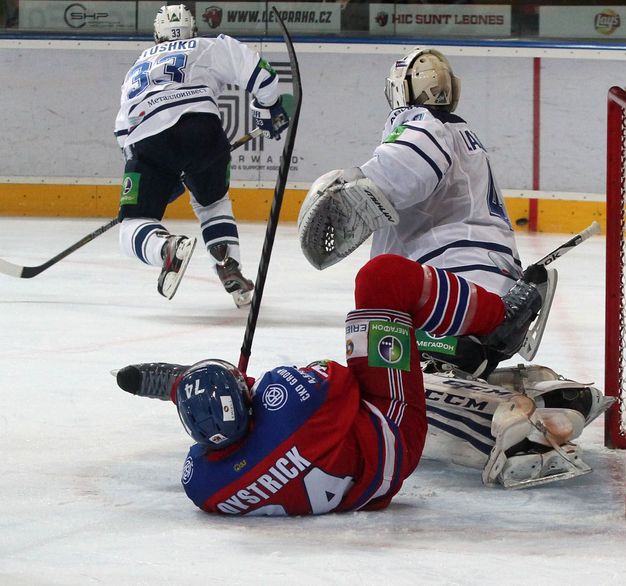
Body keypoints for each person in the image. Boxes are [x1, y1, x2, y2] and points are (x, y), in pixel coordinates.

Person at [114, 252, 601, 516]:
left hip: (358, 475)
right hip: (390, 428)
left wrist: (195, 390)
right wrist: (249, 388)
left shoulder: (203, 487)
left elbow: (222, 438)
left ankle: (183, 383)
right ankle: (499, 320)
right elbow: (342, 380)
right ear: (250, 396)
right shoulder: (289, 401)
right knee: (383, 280)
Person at [298, 47, 551, 377]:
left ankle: (451, 353)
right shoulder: (459, 132)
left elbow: (400, 173)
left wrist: (350, 187)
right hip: (486, 279)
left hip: (458, 284)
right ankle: (475, 364)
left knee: (377, 302)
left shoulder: (424, 126)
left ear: (400, 90)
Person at [114, 5, 289, 306]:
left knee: (133, 223)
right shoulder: (208, 45)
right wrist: (267, 111)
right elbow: (264, 76)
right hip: (203, 130)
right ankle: (228, 266)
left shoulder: (135, 69)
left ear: (157, 37)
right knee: (213, 204)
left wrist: (160, 179)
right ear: (192, 30)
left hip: (146, 138)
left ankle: (164, 248)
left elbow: (123, 133)